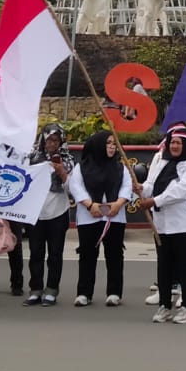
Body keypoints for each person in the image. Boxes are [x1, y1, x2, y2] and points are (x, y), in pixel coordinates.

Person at [143, 123, 186, 324]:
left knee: (185, 266)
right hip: (161, 224)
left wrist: (155, 200)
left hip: (184, 224)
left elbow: (181, 190)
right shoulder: (161, 160)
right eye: (172, 142)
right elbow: (151, 184)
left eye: (179, 143)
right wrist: (141, 189)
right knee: (164, 265)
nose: (175, 146)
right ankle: (164, 305)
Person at [68, 130, 133, 307]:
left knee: (115, 255)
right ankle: (84, 293)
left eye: (114, 144)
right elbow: (75, 187)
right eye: (108, 143)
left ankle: (114, 292)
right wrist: (90, 205)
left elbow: (127, 187)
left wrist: (118, 204)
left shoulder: (120, 167)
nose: (112, 147)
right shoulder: (82, 167)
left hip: (114, 217)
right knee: (87, 254)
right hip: (90, 216)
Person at [24, 124, 73, 307]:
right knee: (36, 253)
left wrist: (61, 172)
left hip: (57, 212)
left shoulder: (67, 160)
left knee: (54, 254)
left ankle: (52, 289)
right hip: (36, 213)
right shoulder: (32, 158)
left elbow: (71, 188)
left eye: (56, 140)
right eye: (49, 139)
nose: (52, 143)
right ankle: (35, 289)